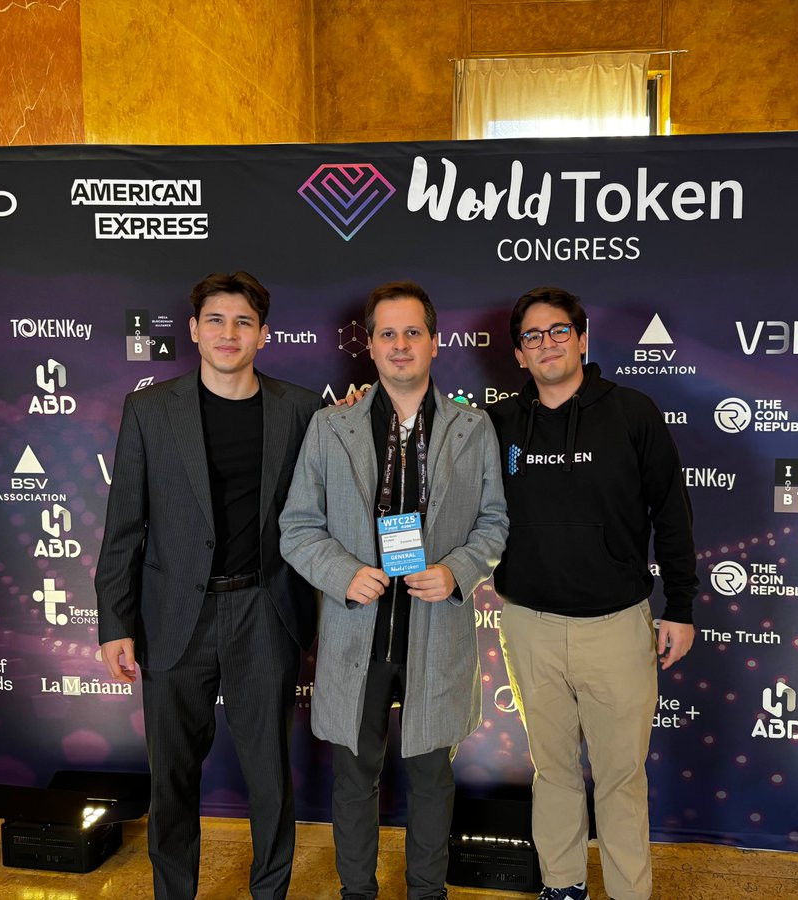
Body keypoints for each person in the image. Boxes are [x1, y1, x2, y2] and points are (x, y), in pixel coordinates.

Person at [95, 271, 322, 900]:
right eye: (215, 320)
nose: (229, 333)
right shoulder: (149, 410)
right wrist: (115, 623)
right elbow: (125, 525)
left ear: (263, 335)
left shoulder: (302, 410)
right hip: (173, 616)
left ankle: (269, 891)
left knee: (270, 774)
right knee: (171, 776)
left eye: (243, 321)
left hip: (265, 610)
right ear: (194, 330)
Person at [279, 280, 508, 900]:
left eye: (413, 332)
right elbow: (298, 526)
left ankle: (427, 892)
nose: (400, 344)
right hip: (360, 631)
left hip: (437, 632)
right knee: (354, 778)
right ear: (370, 345)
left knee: (432, 777)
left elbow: (494, 523)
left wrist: (458, 570)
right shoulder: (332, 427)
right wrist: (342, 574)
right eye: (388, 334)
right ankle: (357, 891)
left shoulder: (473, 428)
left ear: (434, 342)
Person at [487, 287, 698, 900]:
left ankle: (630, 892)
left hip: (616, 625)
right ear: (519, 354)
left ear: (581, 340)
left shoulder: (632, 412)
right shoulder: (498, 424)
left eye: (559, 331)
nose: (547, 344)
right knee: (552, 771)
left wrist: (680, 607)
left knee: (621, 778)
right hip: (529, 624)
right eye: (532, 336)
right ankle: (562, 885)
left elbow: (672, 514)